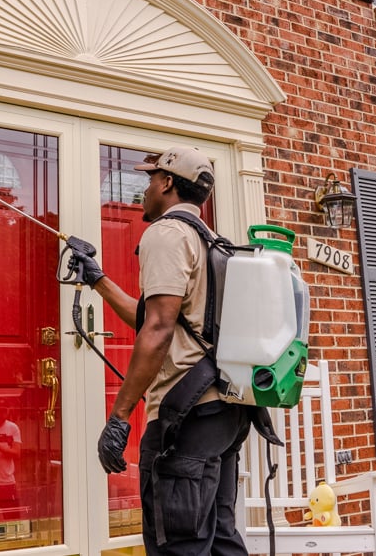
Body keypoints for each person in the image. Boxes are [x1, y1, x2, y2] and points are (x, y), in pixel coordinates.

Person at [70, 146, 254, 556]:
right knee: (221, 538)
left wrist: (119, 418)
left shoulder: (167, 234)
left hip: (185, 419)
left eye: (151, 178)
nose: (146, 187)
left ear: (168, 183)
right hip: (223, 414)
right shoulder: (214, 244)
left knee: (179, 545)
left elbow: (158, 328)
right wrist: (98, 279)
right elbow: (160, 316)